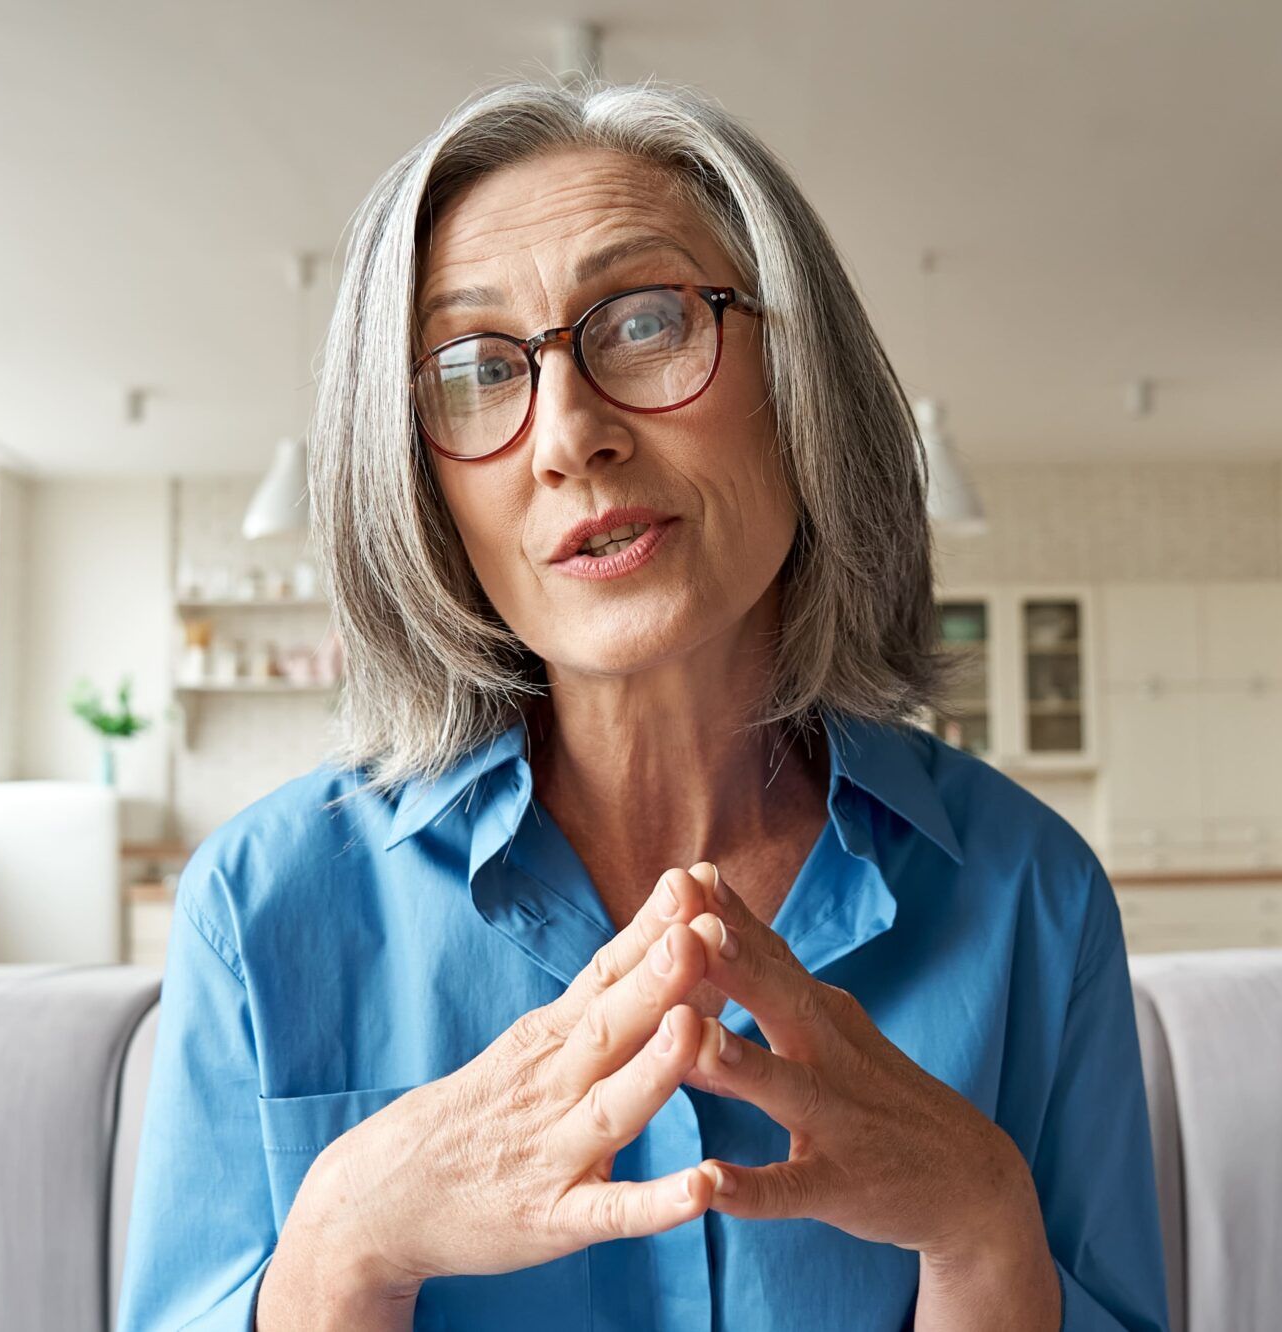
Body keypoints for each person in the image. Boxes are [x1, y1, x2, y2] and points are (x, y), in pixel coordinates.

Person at [115, 77, 1168, 1332]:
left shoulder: (1032, 897)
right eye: (472, 369)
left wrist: (985, 1223)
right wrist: (344, 1243)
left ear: (799, 380)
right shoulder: (260, 904)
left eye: (648, 320)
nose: (568, 434)